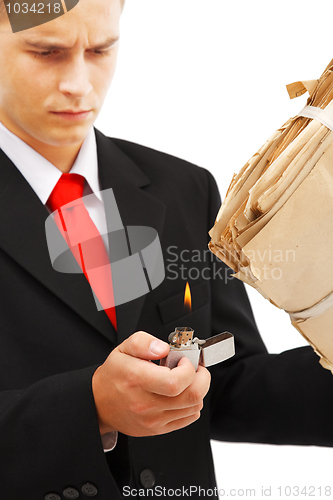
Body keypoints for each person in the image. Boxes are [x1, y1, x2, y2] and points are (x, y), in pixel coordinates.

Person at [0, 1, 333, 499]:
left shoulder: (182, 187)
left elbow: (229, 383)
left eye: (100, 49)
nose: (79, 84)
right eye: (46, 51)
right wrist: (90, 407)